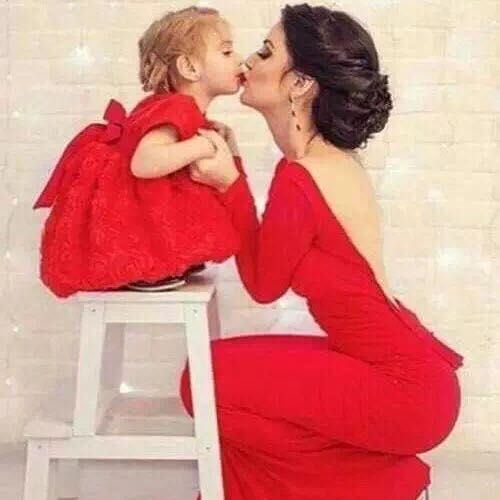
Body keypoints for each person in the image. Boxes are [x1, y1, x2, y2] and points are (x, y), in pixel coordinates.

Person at [180, 4, 464, 499]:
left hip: (404, 390)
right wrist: (235, 173)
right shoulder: (324, 161)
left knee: (201, 382)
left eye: (265, 52)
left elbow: (263, 286)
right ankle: (372, 475)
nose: (247, 62)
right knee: (209, 373)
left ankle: (389, 481)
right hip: (405, 374)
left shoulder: (303, 176)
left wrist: (231, 184)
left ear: (300, 84)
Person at [33, 6, 246, 297]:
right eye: (227, 52)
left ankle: (174, 258)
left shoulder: (175, 106)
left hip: (144, 195)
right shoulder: (177, 107)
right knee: (150, 218)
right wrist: (203, 145)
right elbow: (145, 163)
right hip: (130, 198)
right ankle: (145, 267)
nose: (240, 59)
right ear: (189, 67)